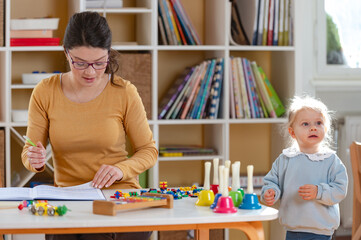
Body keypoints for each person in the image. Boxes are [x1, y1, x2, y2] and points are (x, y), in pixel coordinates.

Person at [21, 11, 158, 240]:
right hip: (68, 198)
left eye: (99, 63)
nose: (90, 72)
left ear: (108, 54)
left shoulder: (124, 92)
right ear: (66, 53)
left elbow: (149, 151)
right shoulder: (45, 92)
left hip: (118, 197)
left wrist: (120, 170)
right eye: (80, 63)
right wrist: (32, 160)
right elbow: (29, 151)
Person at [261, 96, 348, 240]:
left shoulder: (331, 160)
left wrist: (318, 191)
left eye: (318, 123)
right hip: (293, 229)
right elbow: (271, 181)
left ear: (325, 129)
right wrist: (271, 192)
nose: (313, 127)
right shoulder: (285, 159)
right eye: (305, 124)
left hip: (321, 230)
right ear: (292, 132)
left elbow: (340, 189)